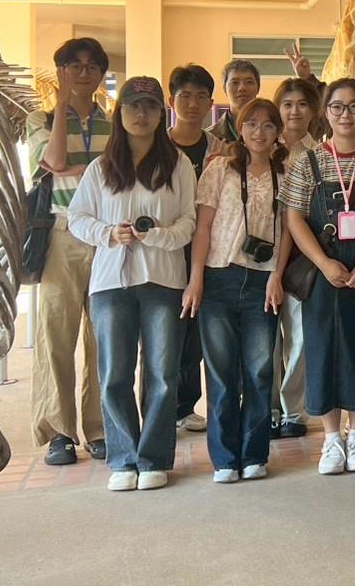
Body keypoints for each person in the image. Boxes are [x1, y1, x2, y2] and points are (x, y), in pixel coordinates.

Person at [65, 76, 196, 491]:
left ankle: (154, 458)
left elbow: (189, 222)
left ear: (161, 113)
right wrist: (109, 233)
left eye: (150, 106)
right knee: (114, 373)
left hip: (164, 280)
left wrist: (156, 235)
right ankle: (124, 459)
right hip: (110, 284)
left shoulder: (178, 165)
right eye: (133, 106)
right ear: (119, 113)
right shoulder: (100, 168)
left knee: (162, 374)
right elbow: (76, 218)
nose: (141, 114)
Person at [280, 78, 355, 476]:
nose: (346, 114)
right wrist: (324, 263)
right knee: (321, 346)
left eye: (354, 106)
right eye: (337, 107)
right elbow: (293, 217)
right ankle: (331, 438)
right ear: (325, 112)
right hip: (322, 270)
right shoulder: (307, 161)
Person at [182, 98, 288, 483]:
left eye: (268, 125)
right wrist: (196, 279)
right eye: (252, 124)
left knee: (259, 371)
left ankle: (254, 454)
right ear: (240, 129)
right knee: (221, 374)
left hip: (263, 281)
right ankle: (226, 459)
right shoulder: (220, 169)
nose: (259, 132)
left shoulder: (285, 173)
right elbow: (203, 228)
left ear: (277, 132)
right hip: (219, 278)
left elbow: (288, 230)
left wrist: (277, 275)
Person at [28, 37, 112, 467]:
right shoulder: (39, 118)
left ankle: (99, 428)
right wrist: (60, 106)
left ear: (101, 74)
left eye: (92, 66)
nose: (83, 73)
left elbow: (116, 176)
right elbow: (56, 162)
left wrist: (77, 171)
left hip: (105, 237)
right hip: (61, 235)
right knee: (56, 334)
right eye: (74, 66)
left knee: (103, 336)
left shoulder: (113, 124)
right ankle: (59, 432)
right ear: (61, 71)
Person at [166, 64, 221, 436]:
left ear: (211, 104)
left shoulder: (219, 148)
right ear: (171, 101)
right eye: (184, 95)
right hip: (166, 249)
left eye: (201, 96)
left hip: (205, 249)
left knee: (195, 333)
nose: (192, 103)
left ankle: (185, 407)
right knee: (164, 332)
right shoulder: (157, 145)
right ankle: (161, 408)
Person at [269, 77, 320, 439]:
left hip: (303, 257)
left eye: (302, 104)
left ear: (313, 111)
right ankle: (268, 408)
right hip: (261, 255)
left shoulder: (320, 154)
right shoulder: (262, 148)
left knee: (300, 338)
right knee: (266, 340)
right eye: (287, 104)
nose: (294, 111)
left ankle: (293, 410)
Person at [208, 58, 261, 143]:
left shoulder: (273, 131)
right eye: (235, 82)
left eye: (249, 82)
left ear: (258, 88)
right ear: (225, 89)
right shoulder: (211, 137)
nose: (242, 88)